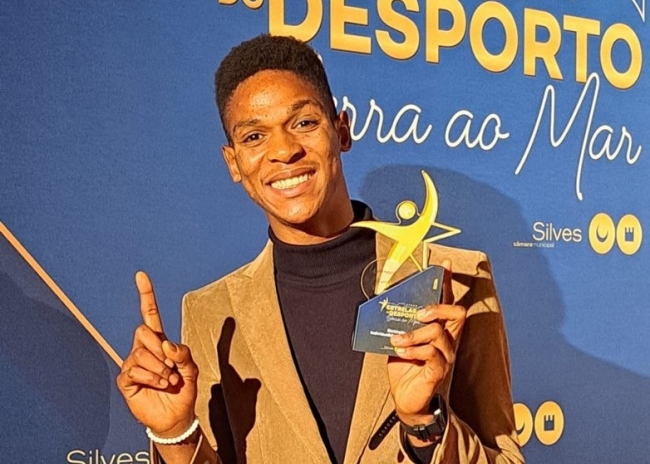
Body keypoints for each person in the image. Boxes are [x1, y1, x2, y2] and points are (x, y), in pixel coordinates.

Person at [116, 34, 524, 464]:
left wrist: (424, 424)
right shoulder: (212, 314)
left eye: (304, 123)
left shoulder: (455, 279)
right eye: (254, 136)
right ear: (233, 162)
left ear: (341, 131)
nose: (283, 151)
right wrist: (175, 434)